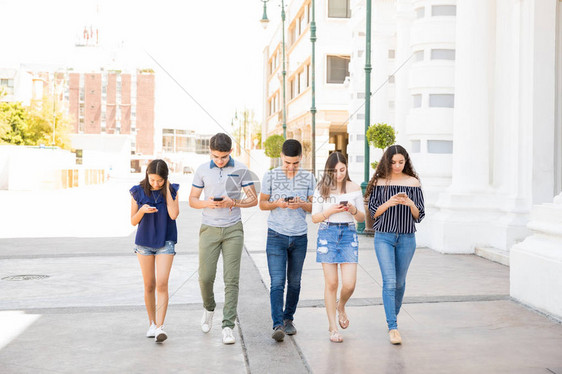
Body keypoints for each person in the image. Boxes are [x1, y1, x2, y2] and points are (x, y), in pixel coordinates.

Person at [189, 133, 257, 345]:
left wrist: (233, 202)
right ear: (210, 152)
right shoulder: (201, 170)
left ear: (231, 152)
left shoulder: (241, 169)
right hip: (209, 229)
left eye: (224, 157)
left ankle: (228, 326)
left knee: (231, 280)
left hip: (233, 230)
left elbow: (253, 199)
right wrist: (207, 203)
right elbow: (192, 200)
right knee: (205, 277)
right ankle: (209, 308)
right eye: (216, 156)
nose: (220, 161)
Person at [366, 144, 425, 345]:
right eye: (393, 162)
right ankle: (393, 326)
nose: (397, 166)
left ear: (406, 162)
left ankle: (393, 316)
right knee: (389, 281)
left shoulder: (413, 182)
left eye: (401, 162)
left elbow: (420, 215)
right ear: (387, 162)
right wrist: (389, 202)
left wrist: (410, 204)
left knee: (400, 283)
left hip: (407, 238)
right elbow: (373, 212)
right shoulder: (380, 182)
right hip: (384, 237)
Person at [259, 139, 316, 342]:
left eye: (295, 163)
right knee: (277, 282)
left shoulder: (309, 178)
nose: (291, 167)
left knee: (294, 282)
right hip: (276, 235)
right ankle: (277, 324)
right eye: (287, 163)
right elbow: (262, 204)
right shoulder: (271, 176)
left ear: (301, 158)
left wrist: (301, 204)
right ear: (281, 157)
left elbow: (314, 207)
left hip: (299, 237)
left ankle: (288, 318)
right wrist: (278, 203)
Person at [311, 152, 365, 343]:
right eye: (334, 171)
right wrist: (330, 211)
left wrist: (353, 210)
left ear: (346, 168)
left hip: (348, 234)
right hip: (327, 234)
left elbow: (362, 219)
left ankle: (341, 305)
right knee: (332, 283)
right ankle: (333, 328)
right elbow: (315, 218)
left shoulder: (355, 188)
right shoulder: (321, 189)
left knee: (349, 284)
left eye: (342, 170)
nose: (339, 174)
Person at [129, 159, 180, 343]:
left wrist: (166, 189)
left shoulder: (171, 190)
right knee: (149, 284)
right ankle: (151, 323)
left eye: (160, 180)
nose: (155, 184)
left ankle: (160, 327)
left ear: (165, 178)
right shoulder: (138, 191)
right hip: (144, 243)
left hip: (165, 242)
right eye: (152, 180)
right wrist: (142, 210)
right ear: (147, 176)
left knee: (162, 284)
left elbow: (174, 214)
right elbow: (133, 221)